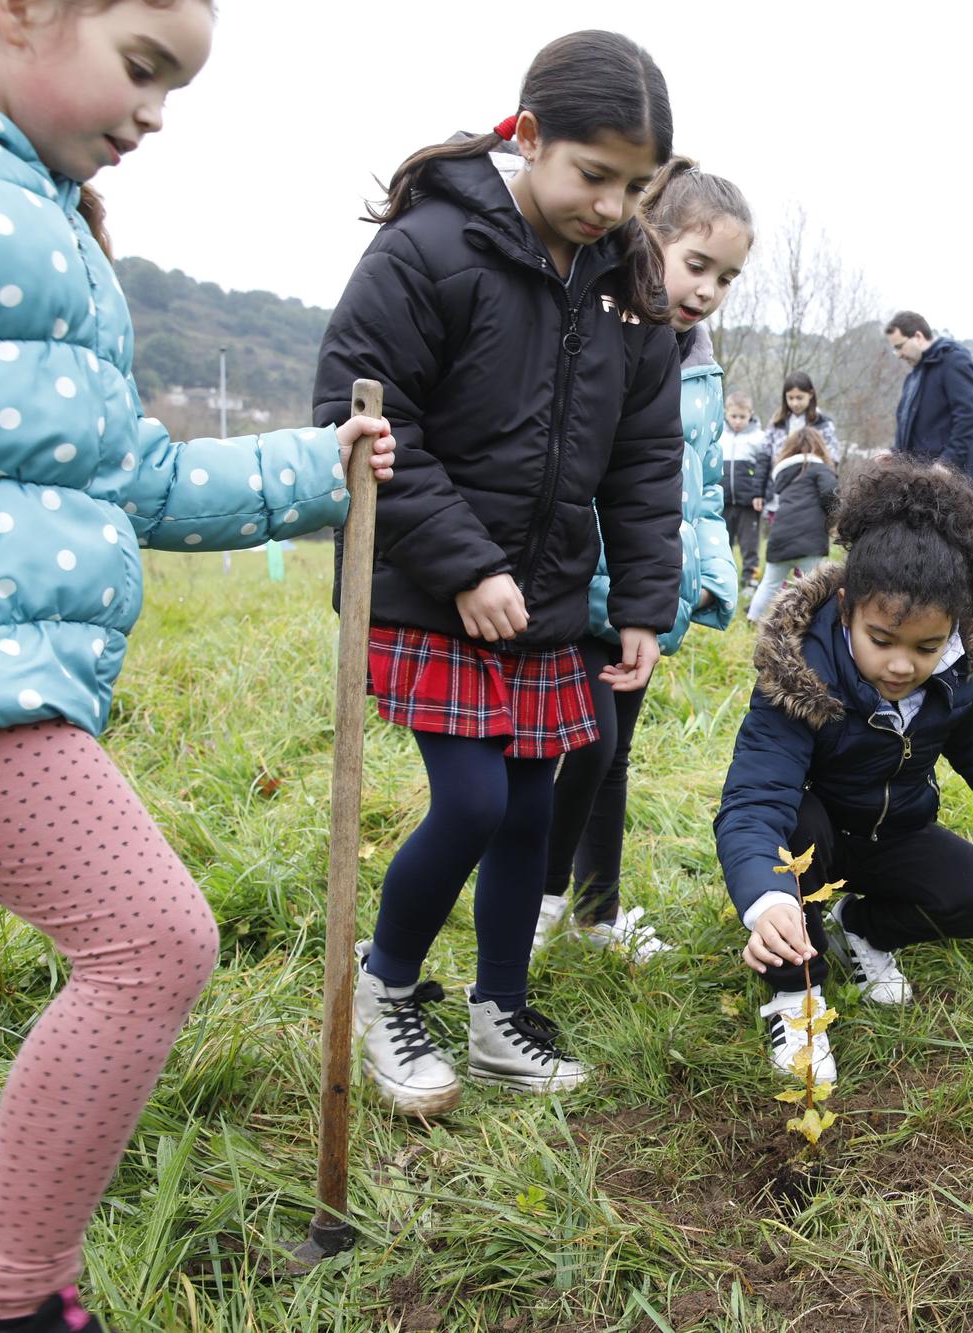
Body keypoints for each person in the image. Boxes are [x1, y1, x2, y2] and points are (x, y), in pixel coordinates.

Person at [0, 2, 395, 1328]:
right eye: (142, 66)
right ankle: (7, 1305)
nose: (154, 113)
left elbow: (136, 475)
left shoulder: (33, 208)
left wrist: (316, 469)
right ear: (15, 10)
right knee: (151, 941)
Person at [312, 30, 684, 1115]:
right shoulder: (430, 250)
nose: (611, 206)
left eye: (636, 186)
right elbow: (363, 417)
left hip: (552, 598)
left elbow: (643, 458)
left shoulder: (629, 288)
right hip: (430, 585)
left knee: (529, 810)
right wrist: (466, 564)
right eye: (591, 175)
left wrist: (643, 606)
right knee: (471, 800)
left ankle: (499, 1014)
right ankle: (385, 989)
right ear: (525, 137)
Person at [715, 457, 973, 1082]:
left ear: (952, 630)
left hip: (890, 833)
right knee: (794, 828)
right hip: (811, 837)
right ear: (847, 609)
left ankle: (862, 929)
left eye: (926, 647)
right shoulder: (800, 677)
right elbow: (753, 802)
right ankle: (795, 997)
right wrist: (765, 899)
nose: (902, 666)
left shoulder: (953, 676)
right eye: (882, 640)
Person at [535, 159, 750, 964]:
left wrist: (707, 576)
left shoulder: (696, 357)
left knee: (613, 756)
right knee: (584, 747)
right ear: (649, 237)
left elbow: (698, 488)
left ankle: (595, 914)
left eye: (726, 277)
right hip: (592, 579)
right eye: (696, 264)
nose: (707, 289)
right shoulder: (605, 327)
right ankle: (541, 901)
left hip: (649, 593)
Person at [884, 311, 973, 496]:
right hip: (918, 483)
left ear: (918, 337)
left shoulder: (954, 361)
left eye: (900, 347)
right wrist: (893, 454)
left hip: (951, 484)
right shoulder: (912, 378)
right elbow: (910, 432)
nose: (898, 354)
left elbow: (968, 418)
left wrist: (947, 463)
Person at [746, 426, 836, 623]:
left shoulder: (783, 475)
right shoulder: (821, 469)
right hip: (810, 538)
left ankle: (752, 619)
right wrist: (834, 518)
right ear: (820, 447)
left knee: (769, 584)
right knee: (814, 586)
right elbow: (830, 494)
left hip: (780, 538)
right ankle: (813, 624)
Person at [719, 392, 769, 594]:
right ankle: (723, 580)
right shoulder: (718, 434)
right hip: (723, 501)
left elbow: (764, 469)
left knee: (750, 545)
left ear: (751, 414)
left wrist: (760, 494)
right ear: (726, 413)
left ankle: (750, 581)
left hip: (749, 503)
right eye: (733, 416)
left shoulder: (759, 437)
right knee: (723, 543)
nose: (738, 421)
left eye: (742, 417)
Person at [762, 371, 842, 465]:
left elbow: (833, 458)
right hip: (779, 476)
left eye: (799, 398)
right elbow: (764, 456)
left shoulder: (823, 424)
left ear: (810, 394)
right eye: (790, 398)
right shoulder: (777, 422)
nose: (794, 403)